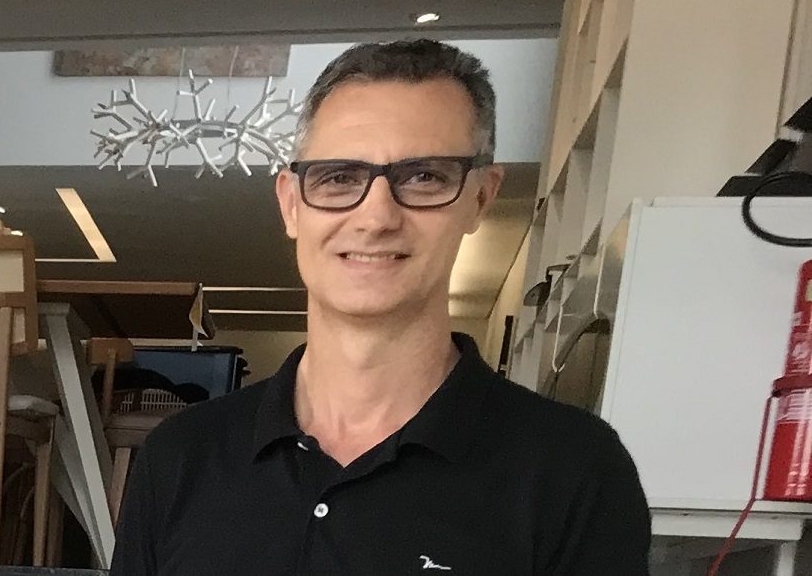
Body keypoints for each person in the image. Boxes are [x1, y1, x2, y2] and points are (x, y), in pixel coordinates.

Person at [111, 39, 651, 575]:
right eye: (339, 177)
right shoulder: (181, 454)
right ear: (291, 204)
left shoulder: (575, 471)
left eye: (424, 177)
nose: (375, 218)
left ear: (481, 198)